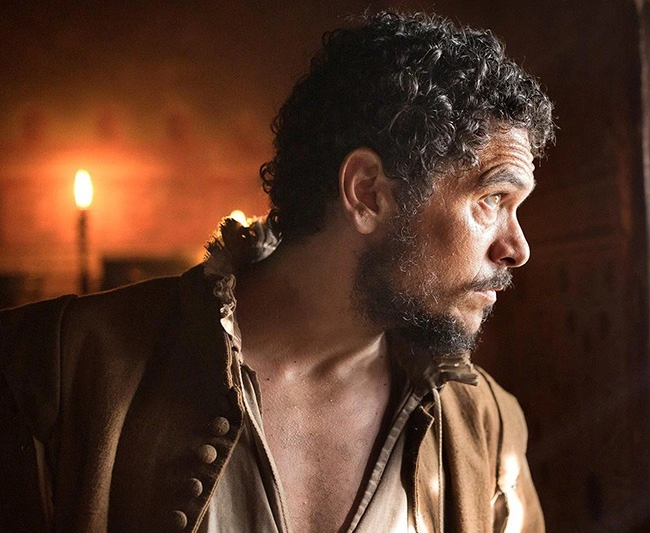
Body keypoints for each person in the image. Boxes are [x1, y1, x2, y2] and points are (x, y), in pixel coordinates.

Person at [0, 11, 554, 532]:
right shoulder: (54, 370)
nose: (517, 249)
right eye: (493, 199)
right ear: (367, 193)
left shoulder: (488, 427)